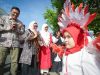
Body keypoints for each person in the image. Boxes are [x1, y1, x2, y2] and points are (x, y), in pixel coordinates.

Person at [0, 7, 24, 75]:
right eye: (14, 12)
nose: (15, 14)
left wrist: (17, 29)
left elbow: (22, 32)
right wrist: (8, 27)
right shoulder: (3, 18)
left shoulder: (20, 22)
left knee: (14, 63)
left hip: (15, 44)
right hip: (3, 43)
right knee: (1, 62)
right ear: (10, 12)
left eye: (17, 13)